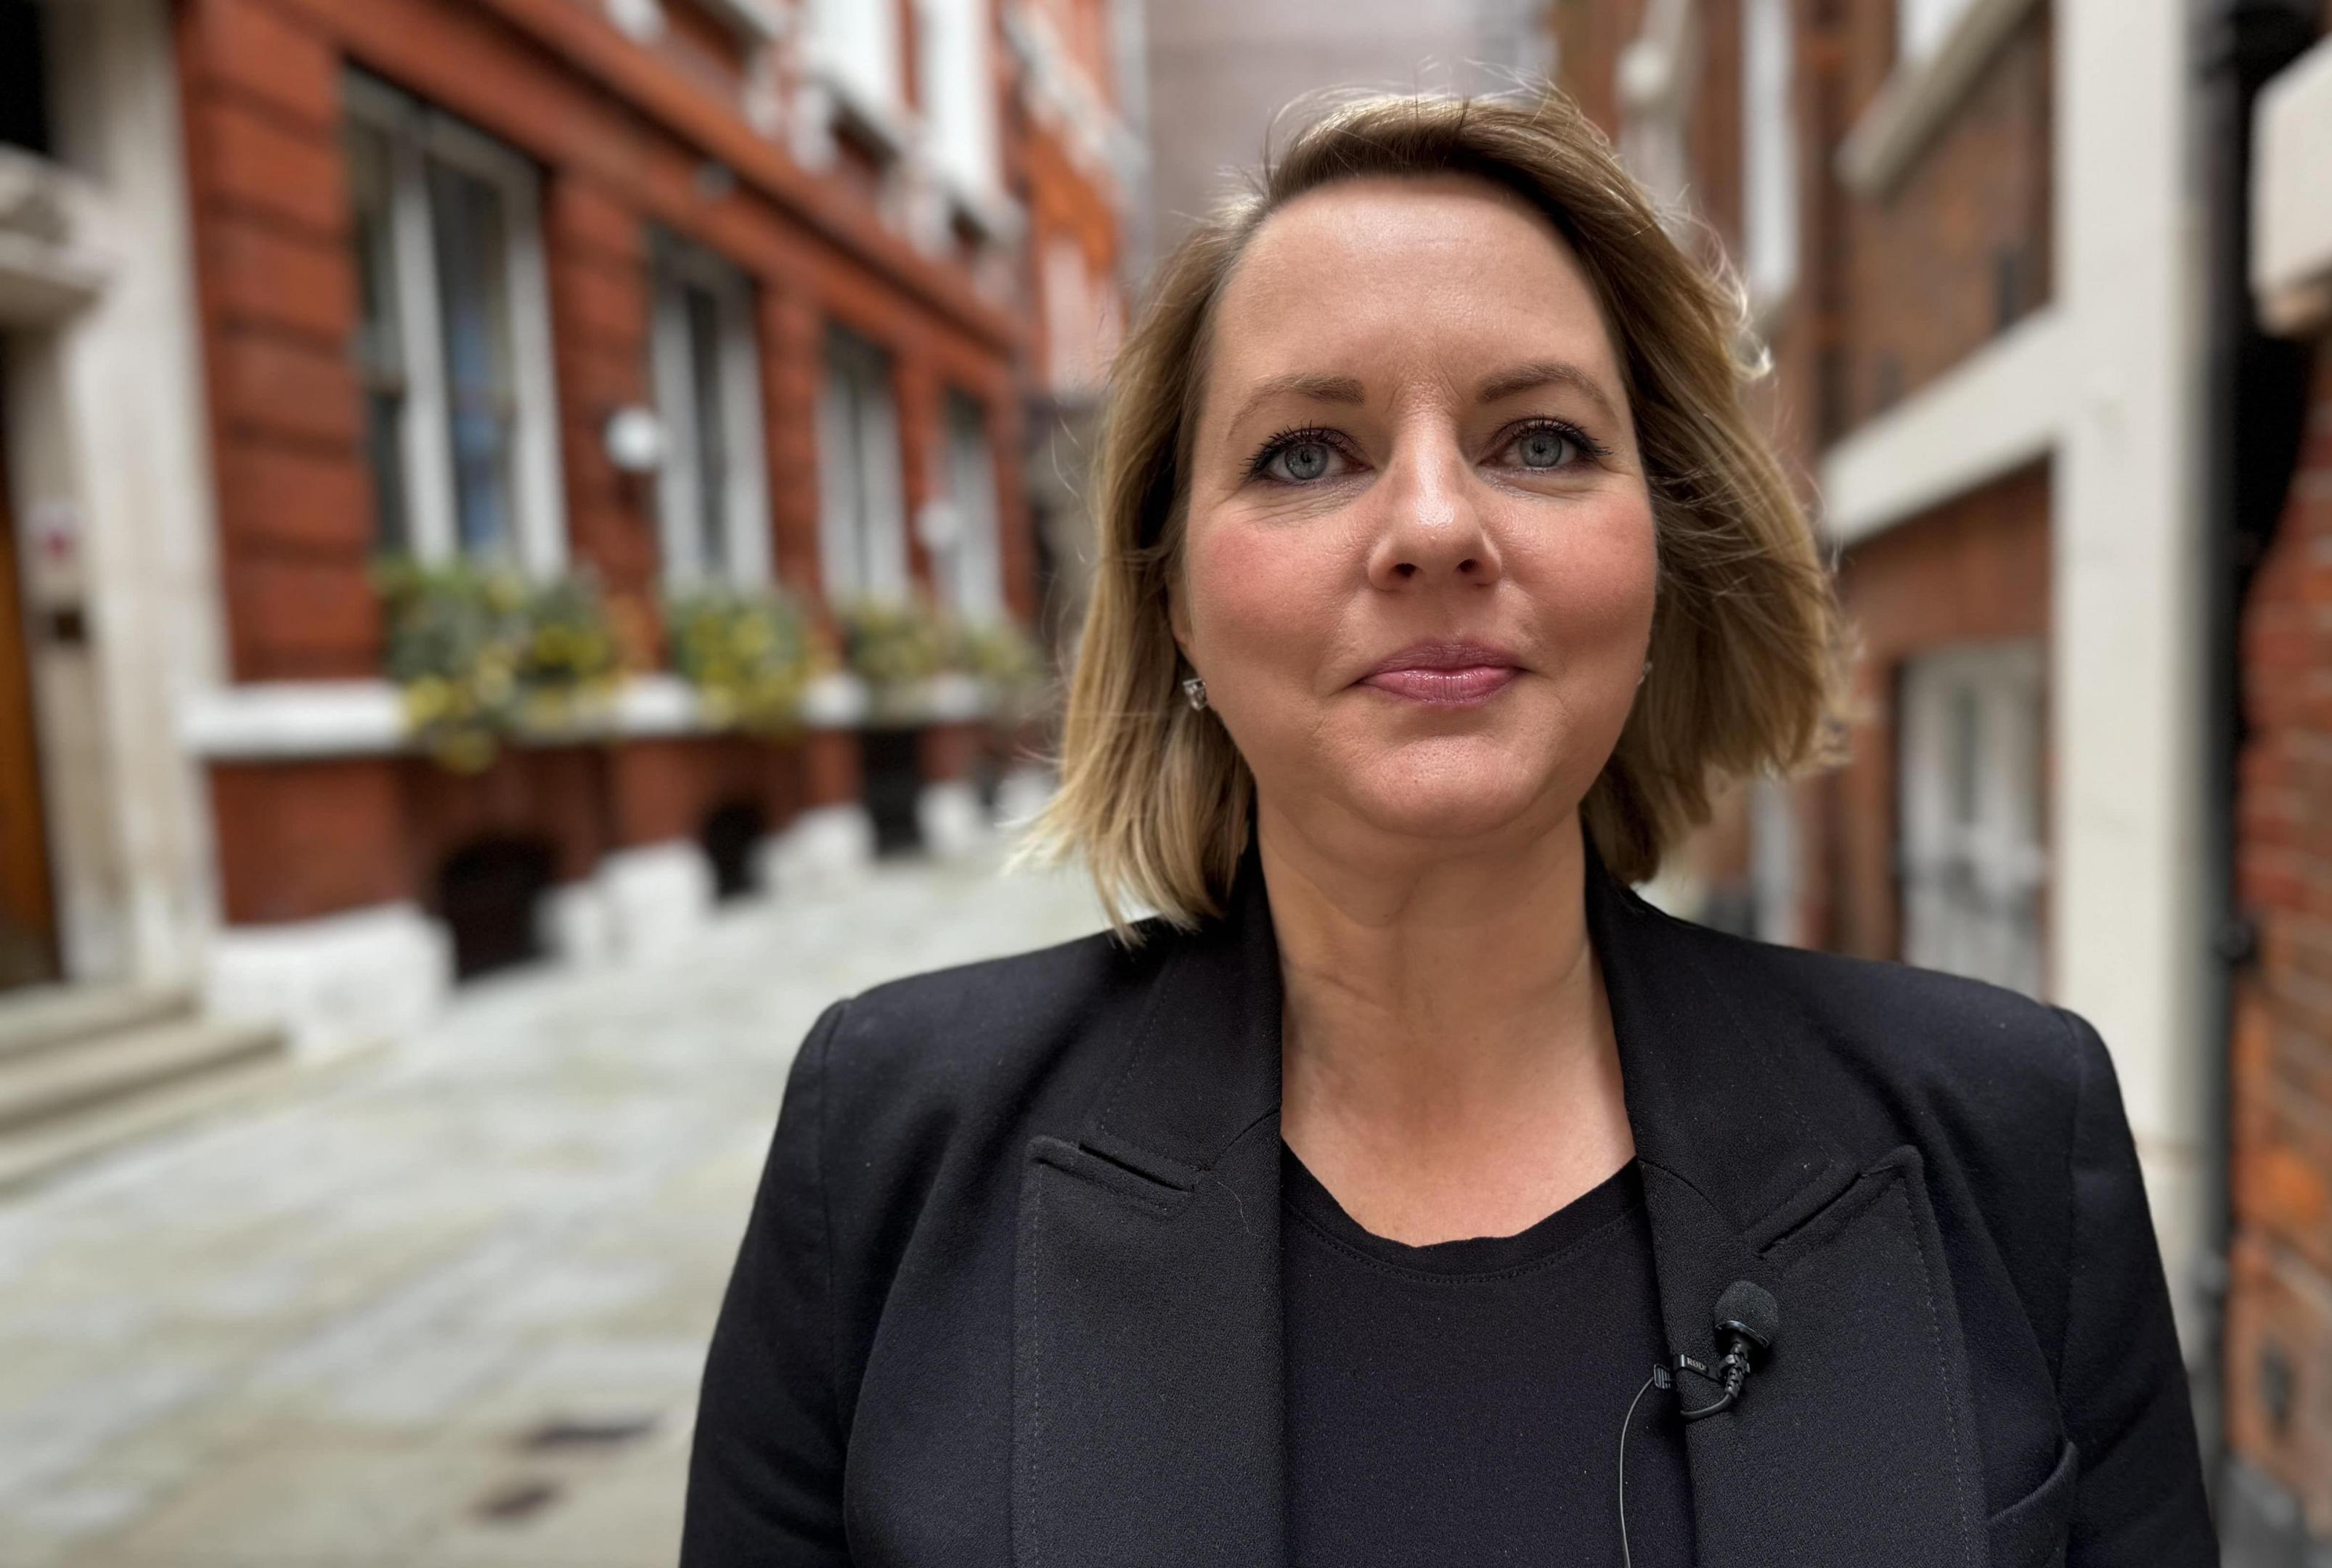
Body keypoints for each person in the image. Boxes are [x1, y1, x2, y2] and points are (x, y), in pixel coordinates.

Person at [682, 89, 2214, 1568]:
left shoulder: (2006, 1132)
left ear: (1663, 555)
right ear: (1174, 601)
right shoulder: (889, 1145)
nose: (1431, 527)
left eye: (1539, 440)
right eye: (1306, 453)